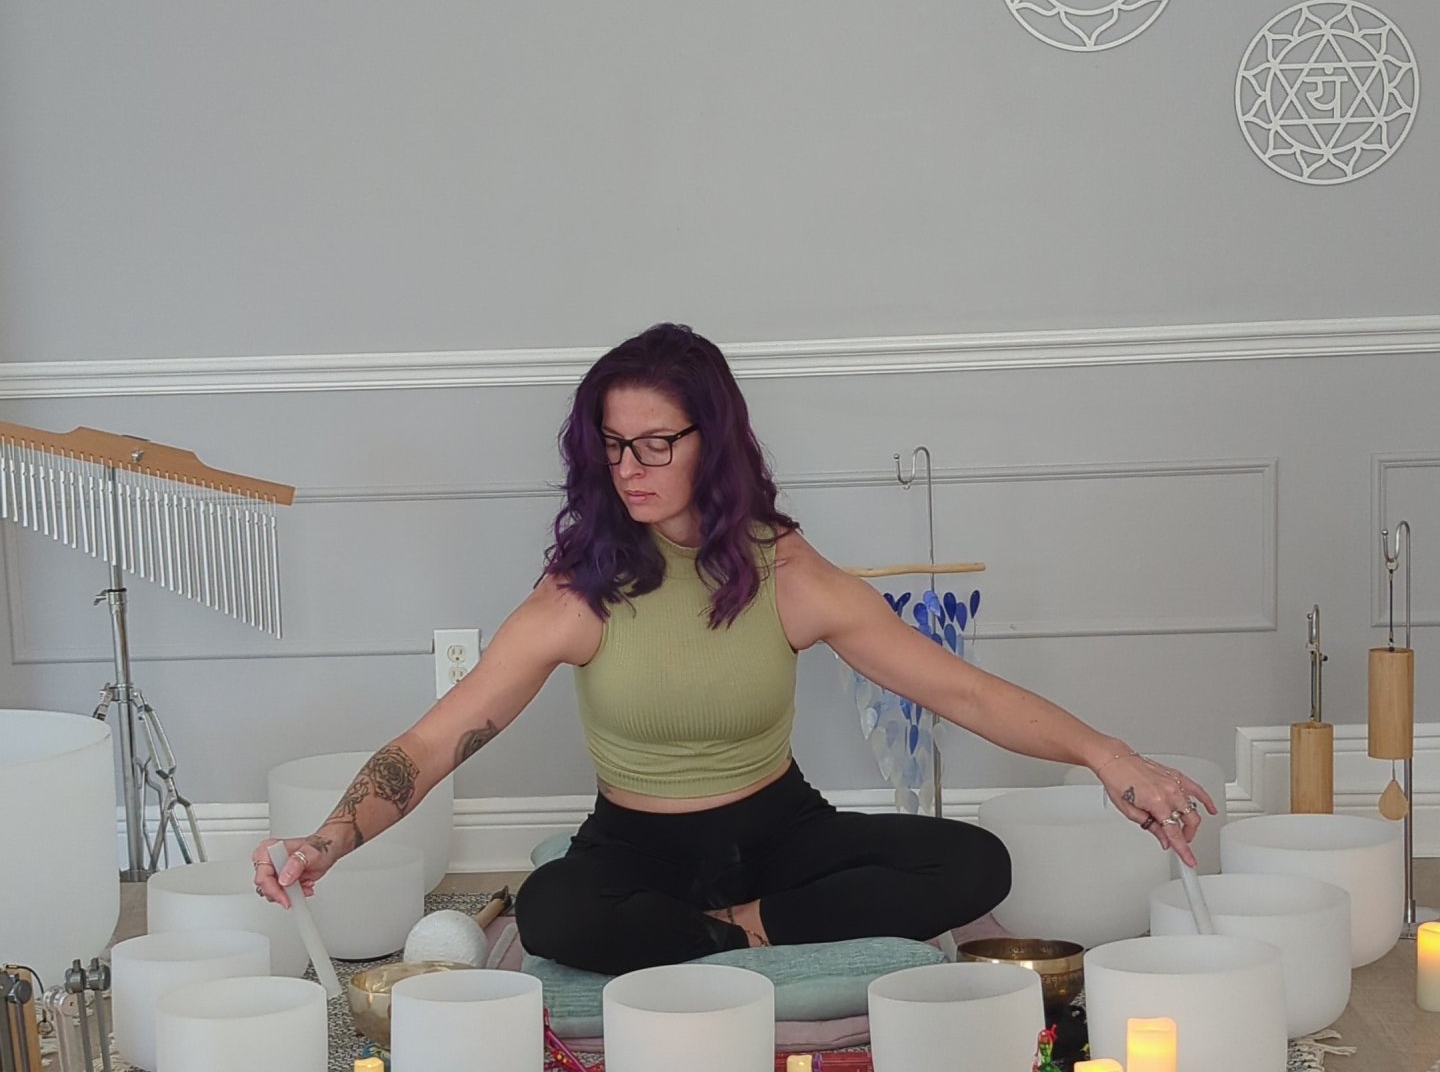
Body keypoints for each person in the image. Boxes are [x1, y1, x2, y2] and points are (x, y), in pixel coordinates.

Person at [254, 322, 1211, 969]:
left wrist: (1110, 758)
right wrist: (328, 841)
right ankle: (740, 940)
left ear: (712, 440)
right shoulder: (578, 595)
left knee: (976, 864)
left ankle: (734, 936)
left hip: (781, 831)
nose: (629, 470)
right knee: (552, 909)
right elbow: (432, 744)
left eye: (656, 444)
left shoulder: (785, 573)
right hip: (635, 845)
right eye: (612, 447)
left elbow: (958, 691)